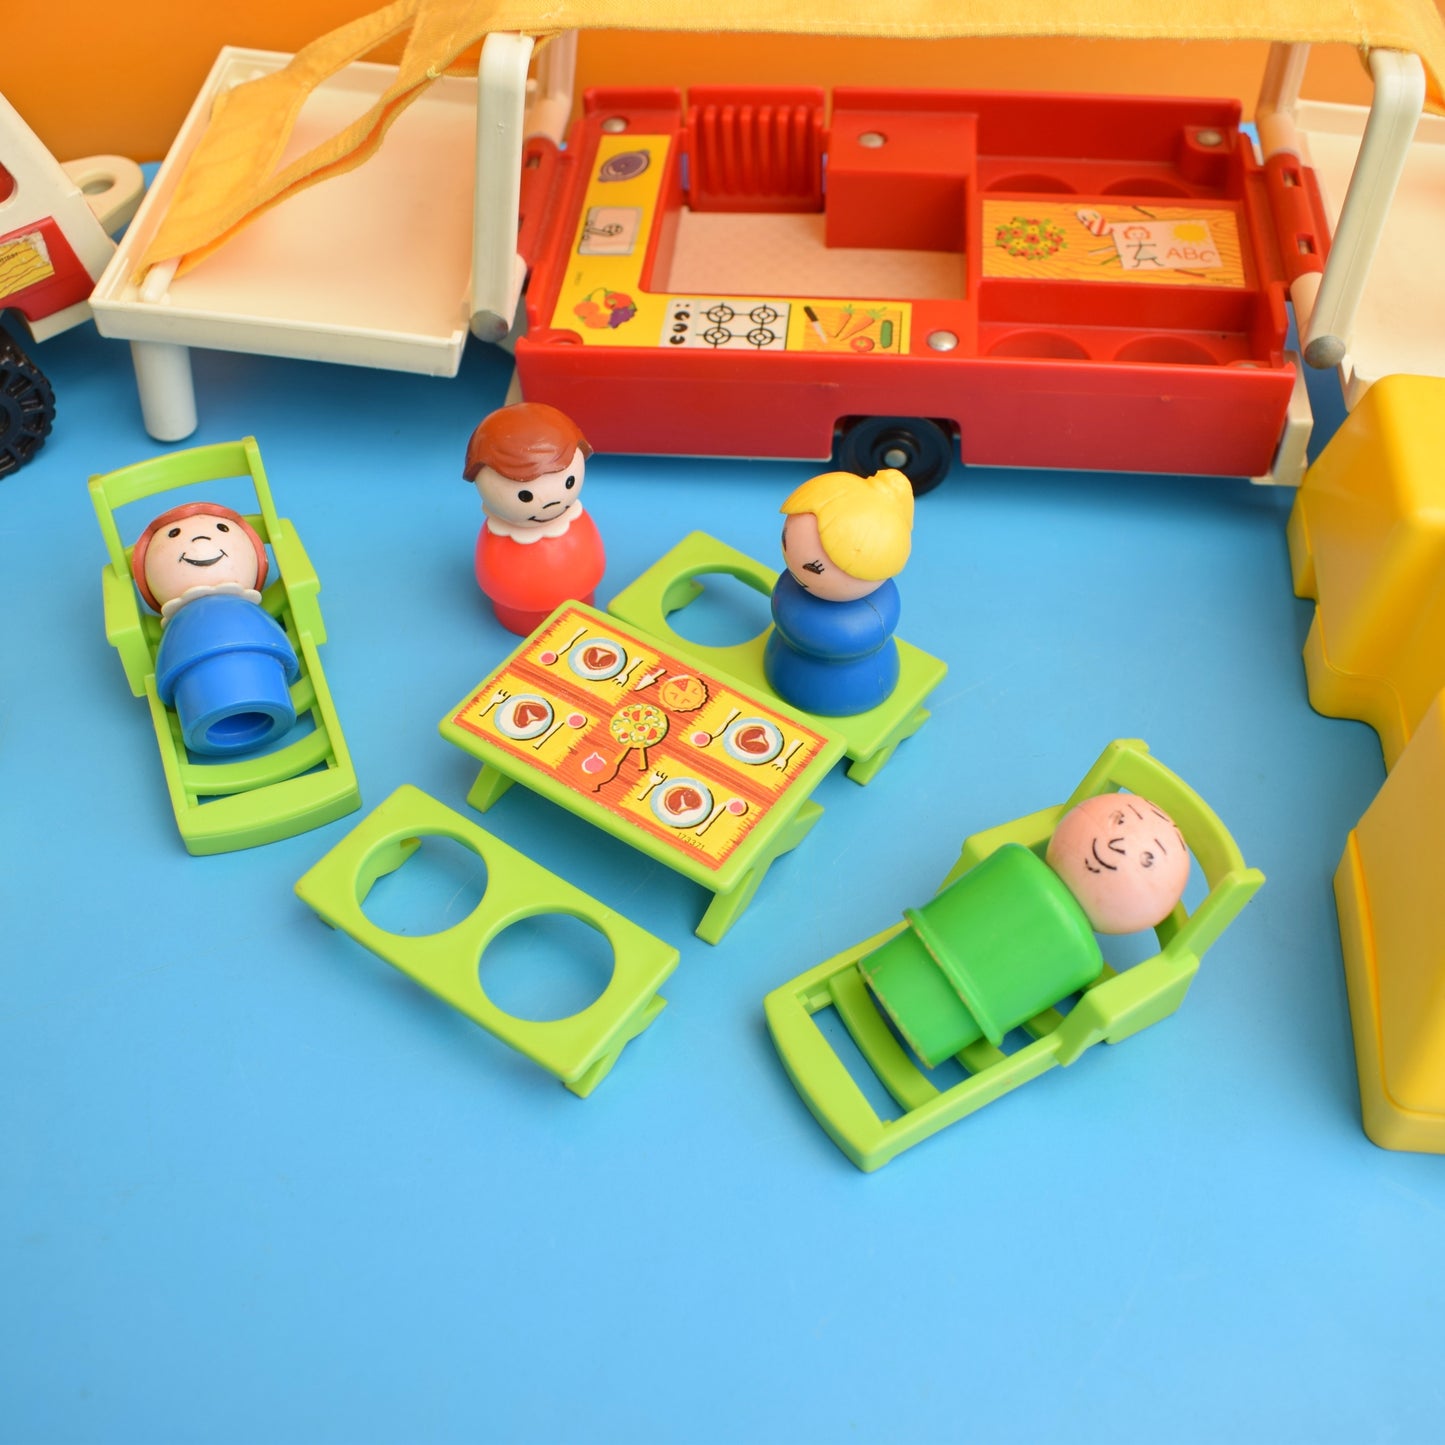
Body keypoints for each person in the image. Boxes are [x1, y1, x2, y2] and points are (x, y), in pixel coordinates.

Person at [861, 791, 1193, 1068]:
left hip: (974, 1000)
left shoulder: (1082, 956)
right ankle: (895, 978)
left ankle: (905, 992)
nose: (1117, 845)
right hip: (930, 955)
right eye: (1118, 820)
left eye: (1147, 859)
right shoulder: (1080, 953)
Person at [131, 502, 299, 756]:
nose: (200, 540)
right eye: (174, 535)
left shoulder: (246, 612)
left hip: (255, 651)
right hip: (191, 664)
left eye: (222, 528)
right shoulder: (180, 627)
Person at [762, 467, 914, 716]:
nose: (795, 558)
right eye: (785, 538)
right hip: (786, 665)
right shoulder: (790, 589)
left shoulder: (873, 612)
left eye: (816, 567)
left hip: (856, 688)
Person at [463, 402, 605, 635]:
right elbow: (493, 576)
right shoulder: (498, 536)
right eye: (524, 495)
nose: (551, 502)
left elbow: (592, 563)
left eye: (568, 482)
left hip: (579, 608)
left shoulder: (575, 523)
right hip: (513, 616)